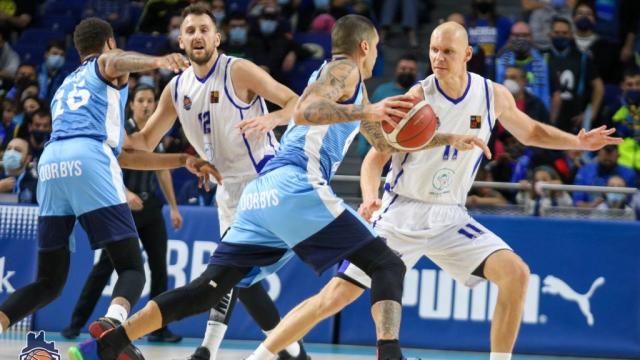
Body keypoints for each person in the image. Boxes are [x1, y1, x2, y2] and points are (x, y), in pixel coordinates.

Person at [69, 14, 489, 360]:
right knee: (388, 264)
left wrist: (445, 139)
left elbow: (386, 142)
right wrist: (370, 107)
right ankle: (390, 355)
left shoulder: (349, 86)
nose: (377, 54)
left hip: (261, 192)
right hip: (295, 181)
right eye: (376, 47)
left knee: (208, 289)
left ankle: (112, 342)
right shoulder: (343, 70)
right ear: (365, 47)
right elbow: (304, 111)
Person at [247, 21, 622, 360]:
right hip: (400, 213)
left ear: (468, 55)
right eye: (434, 50)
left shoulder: (492, 96)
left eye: (447, 52)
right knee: (333, 298)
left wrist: (577, 141)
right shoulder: (416, 98)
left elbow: (531, 132)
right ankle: (259, 356)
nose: (438, 58)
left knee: (516, 273)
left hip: (450, 216)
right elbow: (375, 158)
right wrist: (370, 195)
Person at [79, 5, 308, 360]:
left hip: (266, 182)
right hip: (228, 190)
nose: (197, 35)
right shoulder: (175, 89)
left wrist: (272, 119)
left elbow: (297, 104)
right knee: (238, 280)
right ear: (181, 40)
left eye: (204, 29)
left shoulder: (239, 70)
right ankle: (289, 351)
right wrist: (102, 134)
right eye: (190, 31)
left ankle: (195, 348)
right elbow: (141, 144)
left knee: (226, 278)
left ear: (216, 38)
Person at [0, 16, 214, 359]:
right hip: (87, 156)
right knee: (131, 267)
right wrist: (158, 61)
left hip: (51, 163)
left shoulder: (65, 86)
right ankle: (112, 322)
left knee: (49, 282)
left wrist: (180, 161)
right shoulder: (105, 63)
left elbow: (126, 154)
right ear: (111, 42)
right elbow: (111, 62)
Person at [60, 84, 184, 343]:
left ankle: (158, 329)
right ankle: (75, 324)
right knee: (105, 267)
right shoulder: (121, 131)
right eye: (141, 100)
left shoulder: (154, 132)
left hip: (151, 209)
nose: (147, 105)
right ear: (132, 104)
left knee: (160, 267)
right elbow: (108, 165)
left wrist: (173, 206)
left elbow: (162, 171)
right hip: (123, 208)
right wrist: (126, 192)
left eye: (151, 100)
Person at [548, 16, 604, 133]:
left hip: (574, 121)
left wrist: (590, 115)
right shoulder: (543, 58)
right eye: (557, 32)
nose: (560, 36)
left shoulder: (582, 58)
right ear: (550, 34)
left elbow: (599, 87)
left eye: (564, 33)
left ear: (571, 35)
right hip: (548, 119)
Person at [495, 22, 551, 109]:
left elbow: (555, 94)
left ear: (531, 37)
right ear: (510, 38)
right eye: (516, 36)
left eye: (525, 35)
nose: (521, 39)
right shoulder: (498, 63)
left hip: (536, 113)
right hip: (507, 114)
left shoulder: (544, 62)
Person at [0, 137, 37, 203]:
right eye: (8, 149)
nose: (11, 153)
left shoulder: (36, 185)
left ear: (28, 158)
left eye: (17, 150)